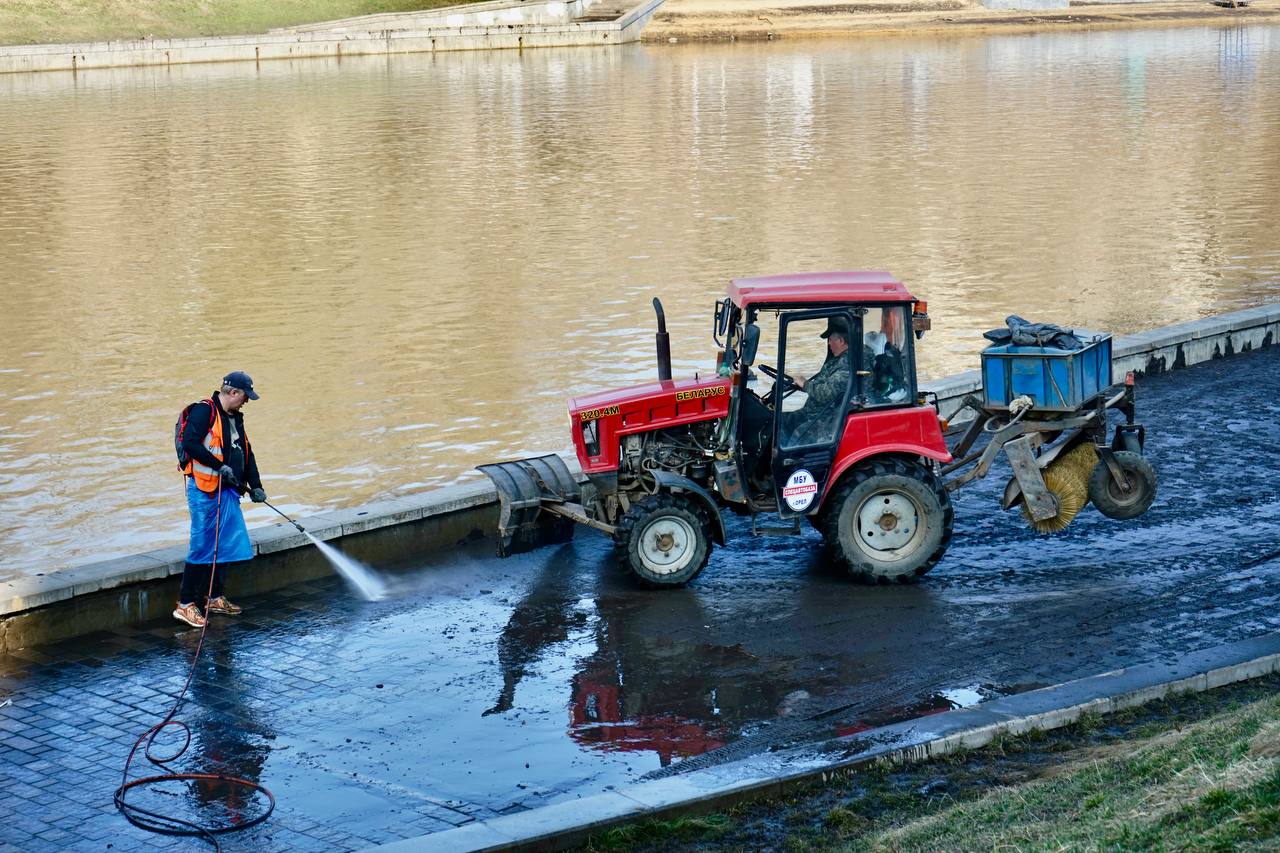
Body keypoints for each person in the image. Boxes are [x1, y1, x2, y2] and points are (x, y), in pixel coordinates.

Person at [174, 371, 268, 628]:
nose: (246, 402)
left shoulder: (235, 419)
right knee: (203, 545)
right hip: (204, 491)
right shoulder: (205, 411)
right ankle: (185, 605)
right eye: (245, 397)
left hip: (227, 491)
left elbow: (246, 453)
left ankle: (214, 598)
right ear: (233, 393)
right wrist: (218, 466)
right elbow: (190, 443)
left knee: (225, 544)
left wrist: (256, 485)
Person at [784, 318, 853, 446]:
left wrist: (805, 384)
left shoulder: (847, 364)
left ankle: (793, 464)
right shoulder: (838, 360)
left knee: (799, 435)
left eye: (830, 340)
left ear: (841, 341)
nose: (828, 344)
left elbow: (827, 394)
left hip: (831, 416)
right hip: (817, 411)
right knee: (782, 420)